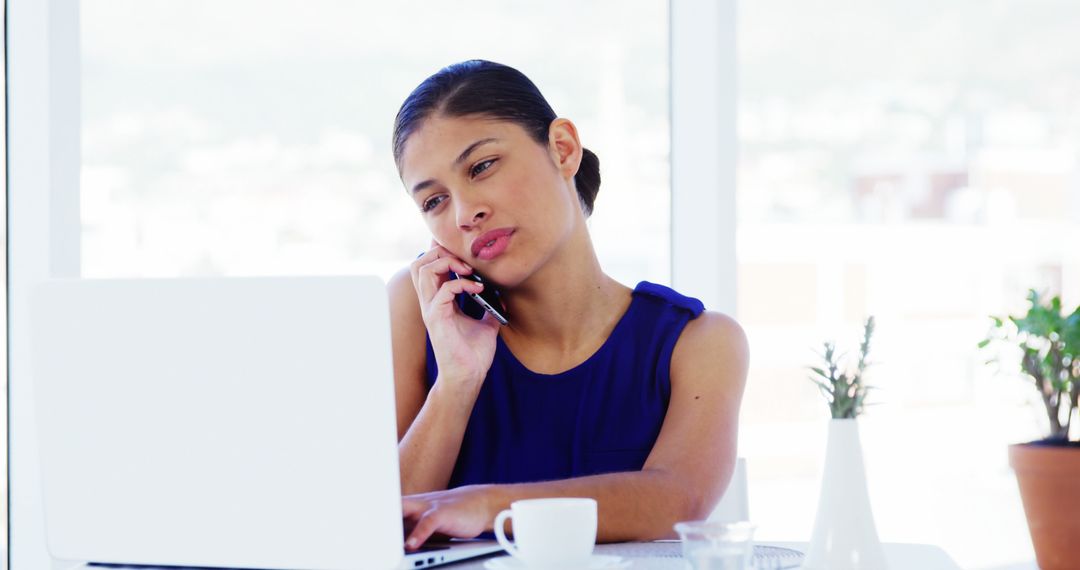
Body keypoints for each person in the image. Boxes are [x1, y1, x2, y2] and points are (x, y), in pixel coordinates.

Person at [387, 59, 748, 550]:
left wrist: (489, 506)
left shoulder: (698, 342)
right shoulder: (418, 311)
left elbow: (677, 499)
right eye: (434, 202)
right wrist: (456, 383)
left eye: (482, 167)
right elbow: (383, 526)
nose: (466, 213)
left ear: (562, 148)